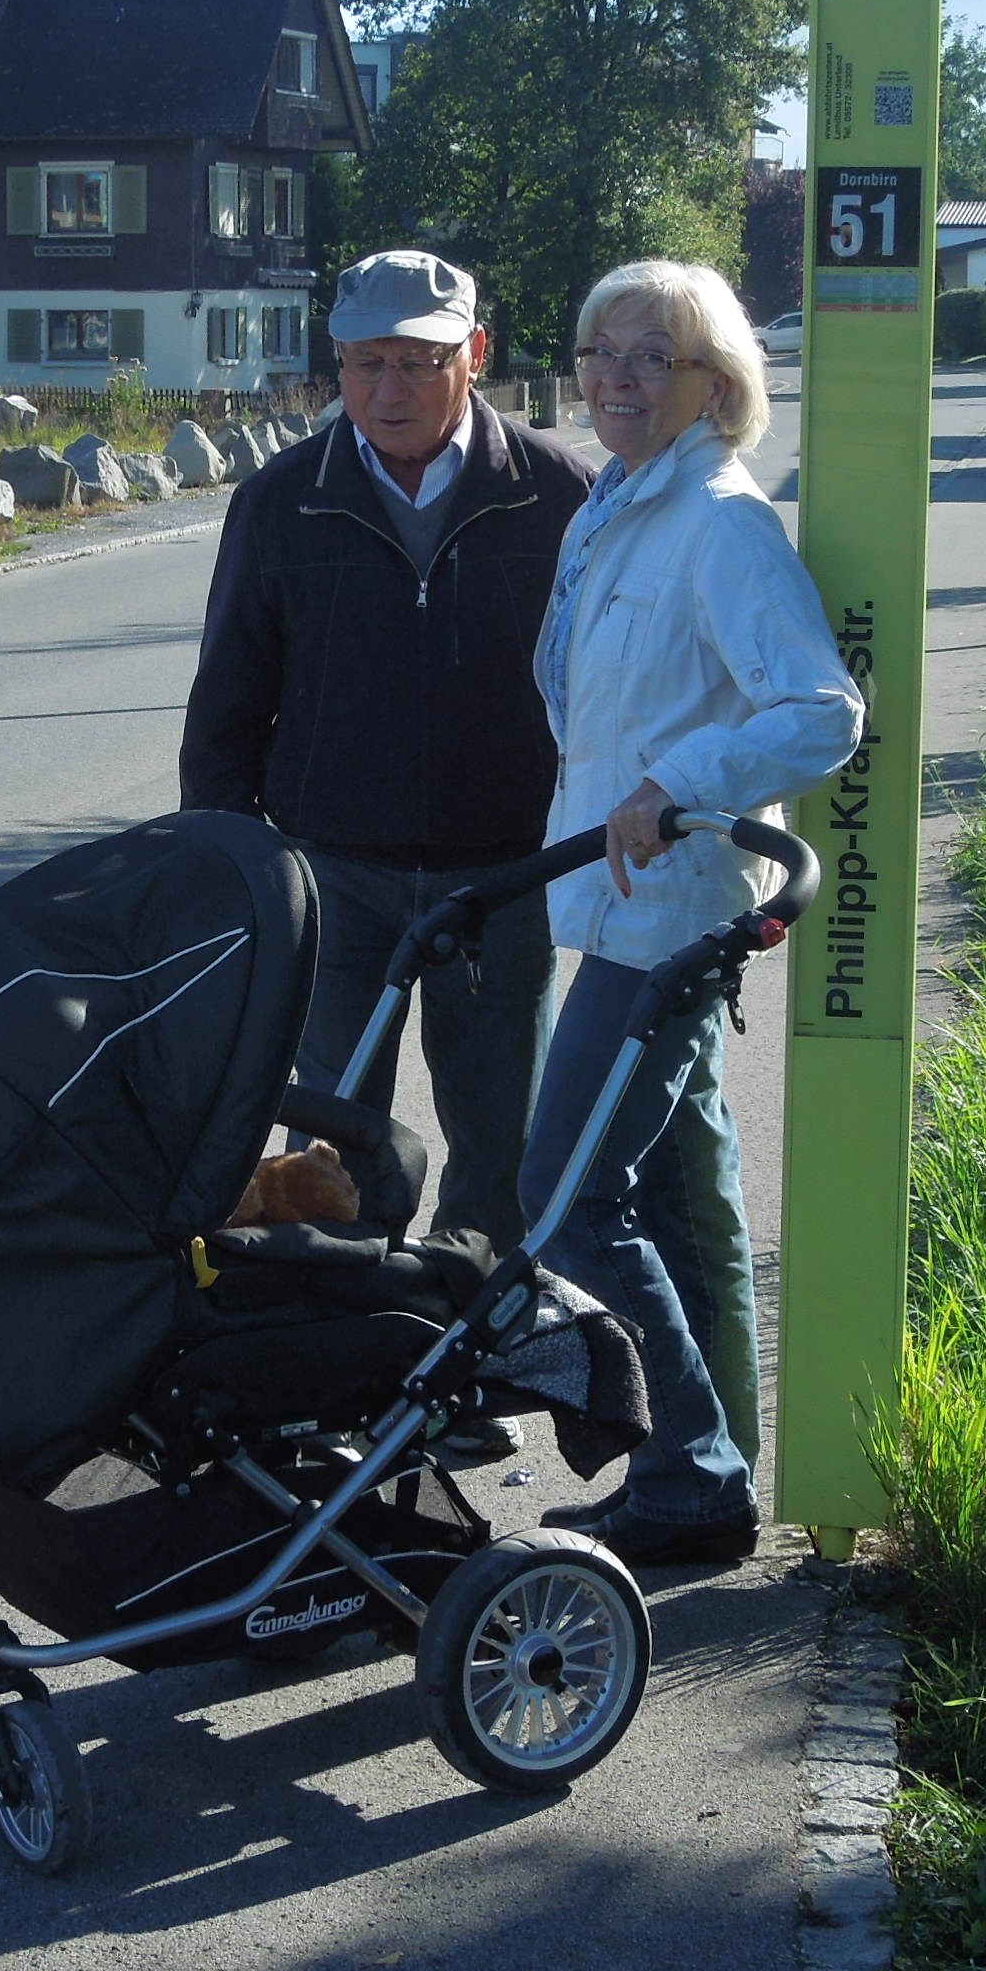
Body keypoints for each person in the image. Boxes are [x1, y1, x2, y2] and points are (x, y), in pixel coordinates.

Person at [519, 259, 864, 1568]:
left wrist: (681, 785)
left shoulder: (718, 522)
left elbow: (820, 712)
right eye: (601, 351)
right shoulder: (616, 507)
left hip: (668, 922)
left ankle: (695, 1475)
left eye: (652, 357)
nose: (616, 377)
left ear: (716, 387)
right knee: (663, 1202)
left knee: (564, 1198)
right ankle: (696, 1478)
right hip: (612, 910)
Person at [181, 248, 597, 1265]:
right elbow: (228, 700)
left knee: (499, 1144)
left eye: (417, 362)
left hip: (502, 878)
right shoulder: (281, 501)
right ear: (338, 366)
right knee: (328, 1141)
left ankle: (476, 1330)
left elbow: (604, 689)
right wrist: (227, 869)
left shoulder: (557, 494)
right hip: (332, 877)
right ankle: (335, 1322)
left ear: (475, 355)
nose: (387, 389)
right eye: (366, 363)